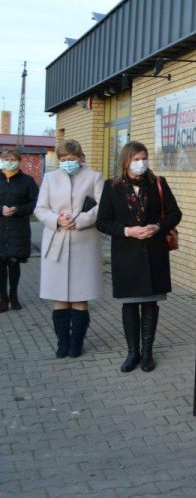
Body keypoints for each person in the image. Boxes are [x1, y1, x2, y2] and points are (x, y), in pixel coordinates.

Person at [96, 141, 181, 373]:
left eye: (144, 158)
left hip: (154, 252)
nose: (141, 163)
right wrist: (128, 231)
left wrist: (157, 226)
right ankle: (132, 352)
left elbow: (175, 213)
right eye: (136, 159)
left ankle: (147, 353)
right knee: (130, 305)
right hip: (126, 254)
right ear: (126, 161)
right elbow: (103, 221)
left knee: (150, 304)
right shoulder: (112, 186)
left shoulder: (158, 184)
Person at [35, 139, 104, 358]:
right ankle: (62, 342)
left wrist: (81, 219)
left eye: (72, 159)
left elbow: (103, 206)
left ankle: (77, 343)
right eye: (64, 159)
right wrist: (56, 219)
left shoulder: (94, 177)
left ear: (81, 158)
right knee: (59, 297)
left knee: (80, 296)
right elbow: (40, 208)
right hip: (56, 241)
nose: (68, 163)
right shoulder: (49, 178)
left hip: (84, 242)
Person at [0, 148, 39, 312]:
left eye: (12, 158)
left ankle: (14, 294)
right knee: (1, 264)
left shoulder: (27, 181)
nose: (9, 161)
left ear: (18, 161)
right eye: (6, 158)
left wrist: (18, 209)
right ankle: (3, 298)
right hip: (1, 226)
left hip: (18, 227)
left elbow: (36, 202)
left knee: (14, 263)